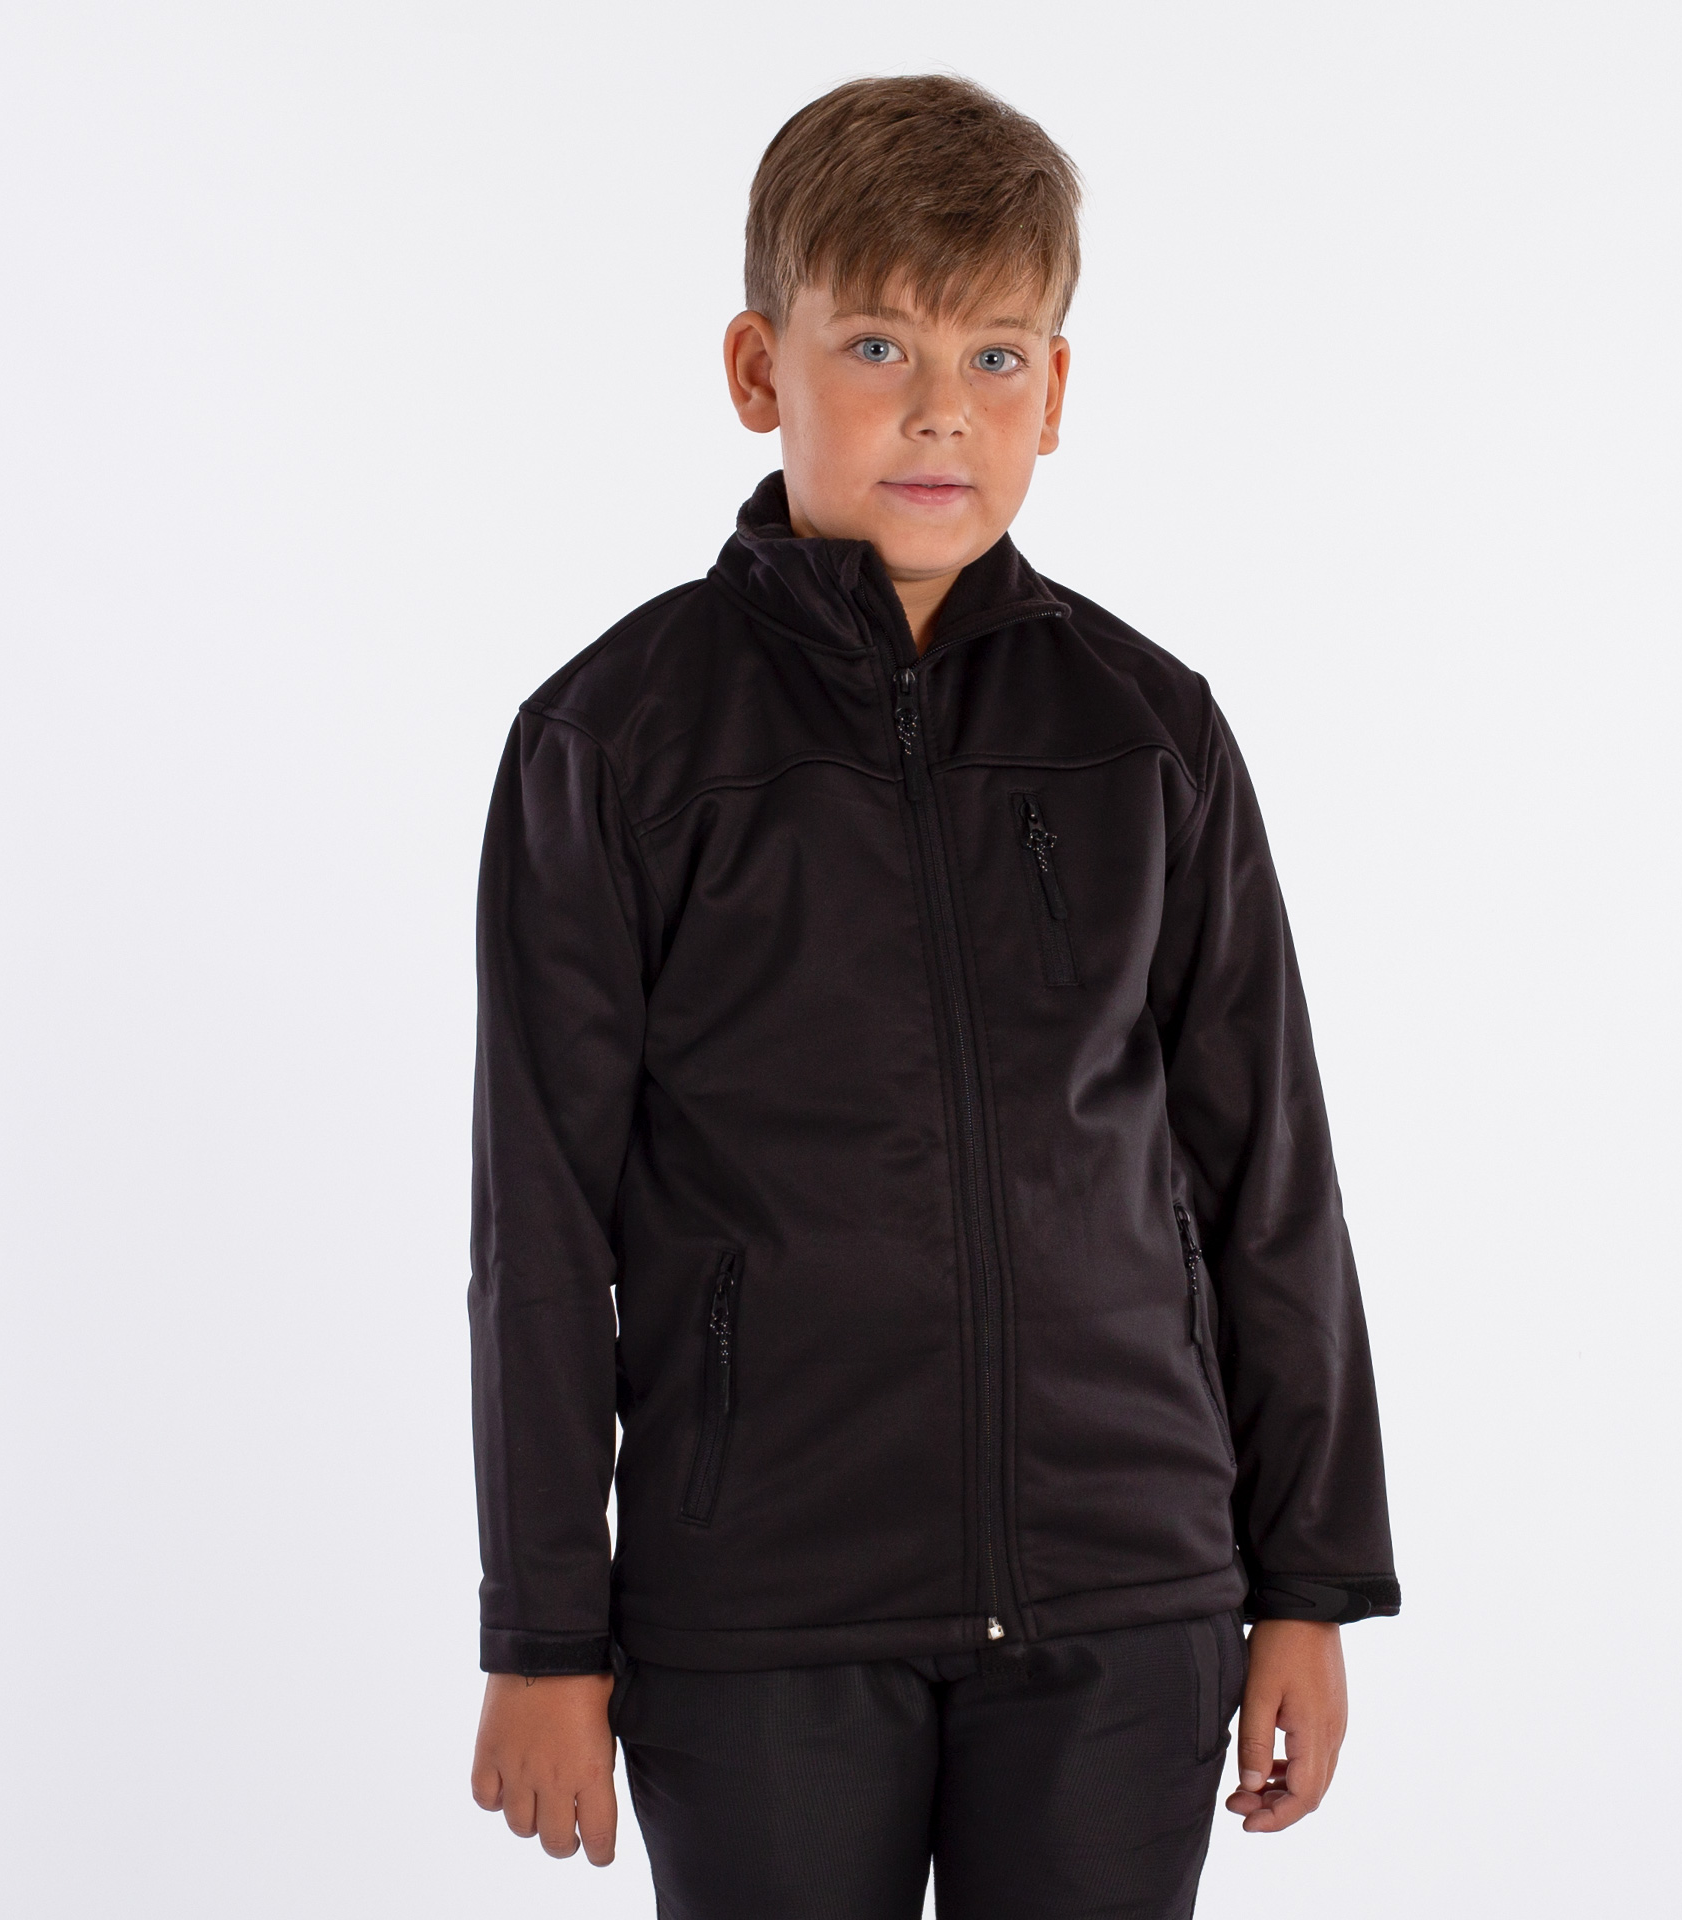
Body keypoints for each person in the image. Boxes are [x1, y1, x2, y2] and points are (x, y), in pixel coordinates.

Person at [466, 73, 1399, 1918]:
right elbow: (541, 1222)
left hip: (1123, 1592)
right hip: (763, 1609)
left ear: (1057, 390)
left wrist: (1307, 1582)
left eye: (995, 355)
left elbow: (1267, 1178)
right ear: (760, 367)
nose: (939, 409)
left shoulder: (1147, 733)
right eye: (879, 343)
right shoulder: (615, 744)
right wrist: (544, 1631)